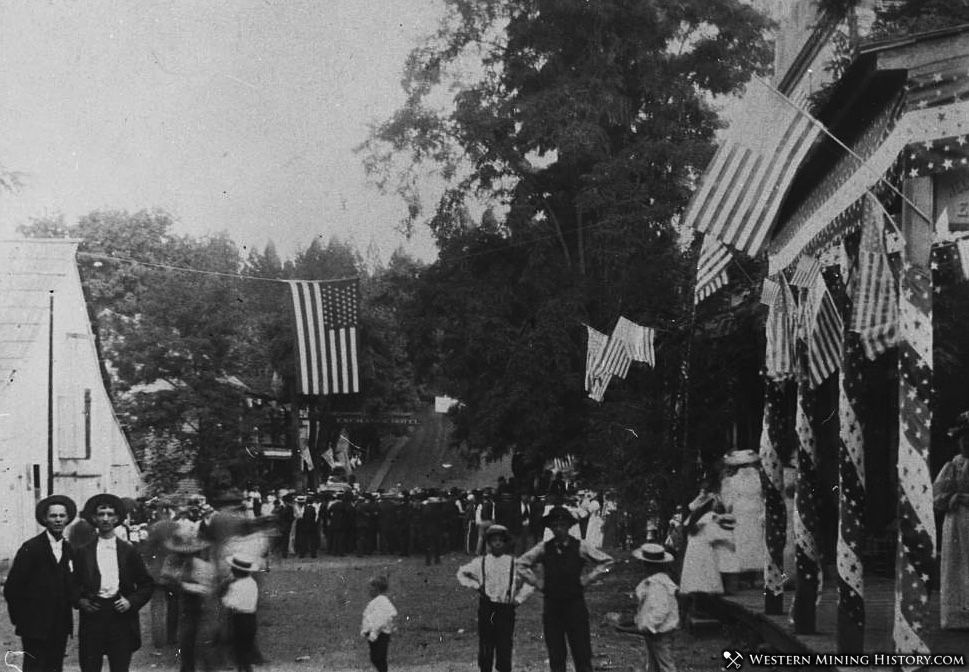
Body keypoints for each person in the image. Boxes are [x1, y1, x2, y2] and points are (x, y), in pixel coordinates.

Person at [516, 506, 613, 672]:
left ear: (569, 526)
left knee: (582, 652)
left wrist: (588, 579)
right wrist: (537, 582)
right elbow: (521, 564)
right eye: (555, 525)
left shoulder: (581, 546)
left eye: (562, 524)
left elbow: (608, 563)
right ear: (550, 527)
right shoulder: (544, 547)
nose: (559, 528)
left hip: (575, 604)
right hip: (552, 606)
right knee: (556, 654)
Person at [73, 494, 154, 672]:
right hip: (93, 615)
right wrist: (81, 601)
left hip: (120, 616)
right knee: (89, 666)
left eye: (110, 514)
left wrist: (130, 602)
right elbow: (73, 584)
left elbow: (146, 584)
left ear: (117, 518)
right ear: (94, 518)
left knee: (119, 666)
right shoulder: (83, 552)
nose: (105, 519)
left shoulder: (128, 551)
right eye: (101, 514)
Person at [4, 494, 78, 672]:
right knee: (35, 667)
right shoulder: (31, 548)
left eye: (62, 516)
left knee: (55, 667)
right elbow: (12, 588)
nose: (58, 520)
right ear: (45, 519)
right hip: (34, 626)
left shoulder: (69, 549)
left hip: (60, 624)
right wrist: (22, 619)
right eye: (53, 516)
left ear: (68, 519)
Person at [457, 524, 534, 672]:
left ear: (506, 543)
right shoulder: (482, 562)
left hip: (505, 609)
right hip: (487, 607)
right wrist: (476, 585)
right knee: (486, 644)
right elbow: (461, 573)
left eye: (501, 540)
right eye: (494, 540)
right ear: (489, 543)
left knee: (504, 644)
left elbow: (530, 582)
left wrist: (518, 599)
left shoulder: (514, 562)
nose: (497, 543)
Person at [933, 411, 969, 630]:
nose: (965, 443)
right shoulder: (953, 465)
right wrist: (948, 498)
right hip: (956, 521)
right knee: (956, 562)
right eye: (963, 439)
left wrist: (964, 497)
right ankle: (957, 614)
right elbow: (938, 497)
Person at [630, 543, 679, 672]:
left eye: (645, 564)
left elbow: (660, 610)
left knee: (665, 663)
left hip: (660, 631)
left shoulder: (659, 585)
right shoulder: (653, 582)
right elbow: (647, 607)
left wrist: (648, 626)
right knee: (653, 662)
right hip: (655, 631)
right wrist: (638, 621)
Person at [221, 555, 259, 672]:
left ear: (236, 571)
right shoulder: (252, 583)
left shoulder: (235, 586)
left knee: (239, 649)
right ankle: (246, 668)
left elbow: (228, 603)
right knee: (247, 647)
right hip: (252, 618)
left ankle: (243, 669)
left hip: (239, 619)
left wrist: (224, 592)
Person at [360, 575, 397, 672]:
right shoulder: (375, 602)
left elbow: (382, 620)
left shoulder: (382, 602)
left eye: (371, 588)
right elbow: (369, 617)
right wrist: (366, 630)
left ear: (377, 589)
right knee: (375, 658)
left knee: (379, 658)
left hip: (381, 634)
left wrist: (374, 633)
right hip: (374, 634)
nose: (368, 590)